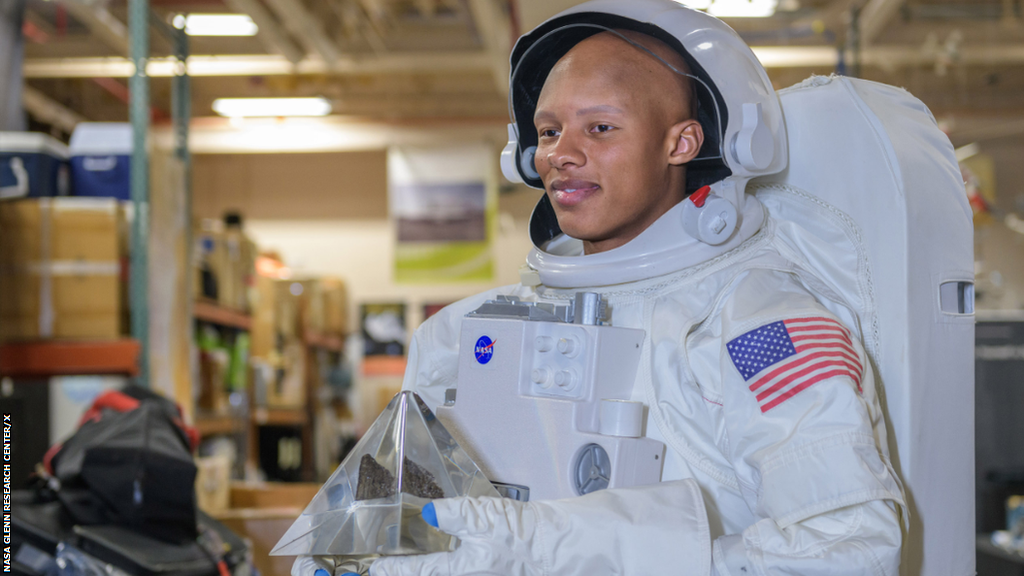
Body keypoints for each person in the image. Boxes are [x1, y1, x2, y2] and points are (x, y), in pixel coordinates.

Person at [323, 1, 906, 574]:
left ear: (681, 144)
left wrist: (563, 550)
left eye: (600, 128)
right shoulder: (461, 335)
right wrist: (355, 553)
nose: (560, 155)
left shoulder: (757, 325)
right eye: (548, 130)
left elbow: (849, 550)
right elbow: (396, 528)